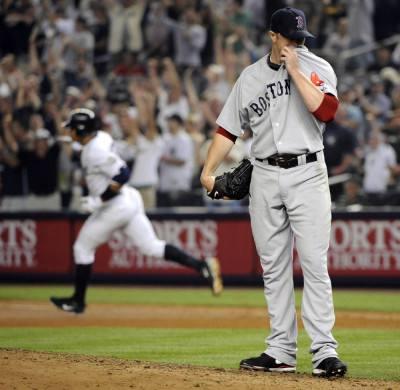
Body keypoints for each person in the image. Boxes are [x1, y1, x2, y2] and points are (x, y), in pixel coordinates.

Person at [200, 7, 347, 378]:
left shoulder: (318, 68)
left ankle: (324, 351)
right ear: (273, 36)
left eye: (301, 39)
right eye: (290, 38)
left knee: (314, 263)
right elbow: (227, 131)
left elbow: (327, 111)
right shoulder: (249, 78)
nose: (296, 44)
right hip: (263, 174)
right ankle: (280, 350)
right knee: (274, 268)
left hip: (309, 173)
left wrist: (296, 69)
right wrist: (208, 169)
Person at [50, 108, 223, 314]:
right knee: (151, 247)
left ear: (80, 129)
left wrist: (99, 200)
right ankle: (202, 266)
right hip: (128, 200)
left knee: (82, 247)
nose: (69, 132)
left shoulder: (95, 150)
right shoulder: (100, 139)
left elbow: (123, 174)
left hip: (115, 206)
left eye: (71, 128)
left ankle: (78, 301)